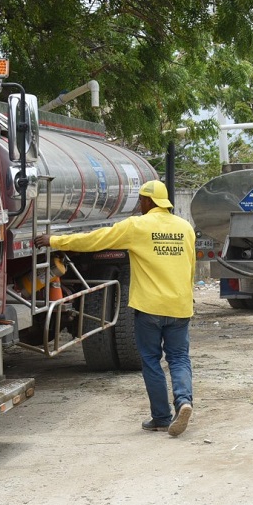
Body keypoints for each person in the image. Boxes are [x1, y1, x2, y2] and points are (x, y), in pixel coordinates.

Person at [33, 180, 197, 437]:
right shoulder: (185, 228)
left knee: (151, 361)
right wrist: (189, 299)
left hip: (149, 308)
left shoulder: (137, 226)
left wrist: (55, 240)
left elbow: (96, 239)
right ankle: (183, 401)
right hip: (179, 305)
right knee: (178, 358)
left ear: (147, 201)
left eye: (141, 201)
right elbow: (190, 266)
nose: (140, 205)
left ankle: (161, 418)